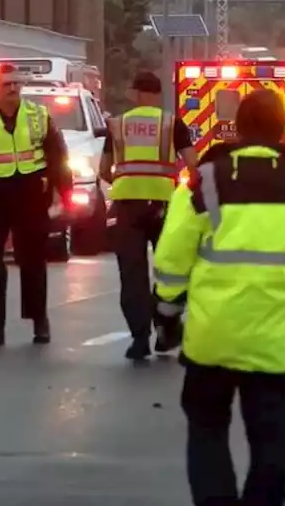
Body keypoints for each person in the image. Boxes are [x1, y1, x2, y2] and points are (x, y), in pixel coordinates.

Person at [152, 89, 285, 506]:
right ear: (283, 129)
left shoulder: (203, 182)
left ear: (238, 128)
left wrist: (168, 312)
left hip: (212, 341)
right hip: (276, 346)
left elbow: (172, 256)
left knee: (207, 433)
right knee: (271, 449)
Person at [0, 63, 71, 346]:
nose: (12, 89)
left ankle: (39, 321)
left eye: (16, 84)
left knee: (33, 260)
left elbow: (57, 155)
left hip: (30, 195)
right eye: (7, 84)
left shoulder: (38, 115)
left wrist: (63, 192)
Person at [98, 71, 198, 361]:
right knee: (170, 271)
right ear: (157, 95)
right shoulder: (172, 123)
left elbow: (104, 169)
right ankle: (166, 329)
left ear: (135, 94)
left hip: (127, 207)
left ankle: (139, 338)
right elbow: (193, 164)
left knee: (132, 274)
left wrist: (123, 181)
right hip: (164, 205)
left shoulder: (117, 125)